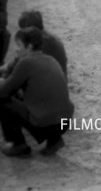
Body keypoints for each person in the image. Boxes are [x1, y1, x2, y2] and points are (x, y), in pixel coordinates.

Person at [0, 27, 74, 157]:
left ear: (29, 47)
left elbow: (4, 92)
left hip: (46, 124)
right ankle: (54, 141)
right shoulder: (50, 59)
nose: (16, 49)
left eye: (18, 45)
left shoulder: (26, 63)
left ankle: (18, 145)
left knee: (3, 102)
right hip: (64, 123)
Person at [0, 12, 68, 81]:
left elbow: (20, 65)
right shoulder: (44, 38)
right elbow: (15, 62)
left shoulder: (40, 43)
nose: (21, 33)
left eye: (23, 30)